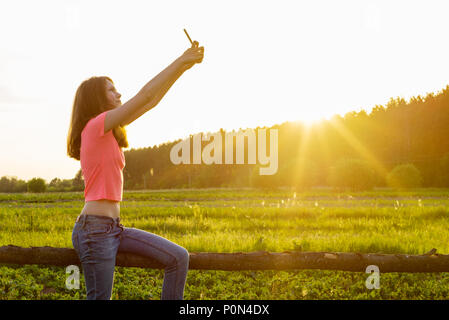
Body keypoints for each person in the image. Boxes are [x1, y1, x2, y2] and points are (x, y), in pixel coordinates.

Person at [66, 40, 204, 300]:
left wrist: (184, 67)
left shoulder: (106, 130)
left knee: (178, 257)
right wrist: (181, 59)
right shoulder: (95, 126)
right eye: (111, 91)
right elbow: (145, 95)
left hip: (114, 228)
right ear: (97, 99)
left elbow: (151, 102)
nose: (118, 94)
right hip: (94, 231)